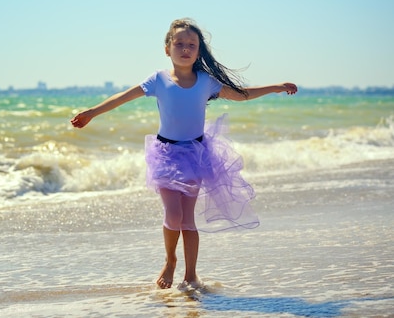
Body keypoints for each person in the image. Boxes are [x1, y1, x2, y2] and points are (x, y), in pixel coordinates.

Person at [70, 18, 297, 291]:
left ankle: (191, 275)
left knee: (188, 219)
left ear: (199, 51)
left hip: (196, 154)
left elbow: (242, 95)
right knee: (173, 215)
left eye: (192, 45)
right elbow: (123, 97)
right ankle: (170, 261)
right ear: (167, 48)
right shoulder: (158, 79)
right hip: (165, 154)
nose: (185, 49)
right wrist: (92, 113)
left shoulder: (206, 82)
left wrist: (275, 87)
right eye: (179, 44)